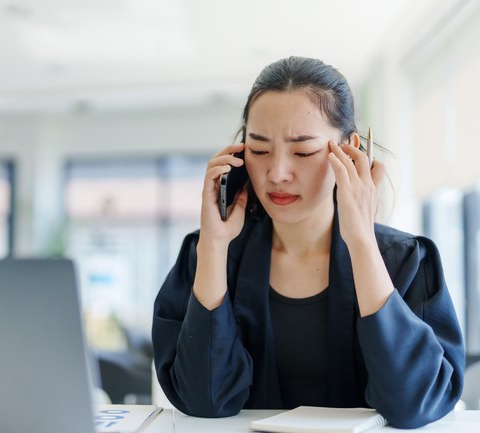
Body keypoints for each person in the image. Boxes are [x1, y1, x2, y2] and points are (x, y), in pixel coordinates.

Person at [152, 56, 464, 429]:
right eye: (260, 150)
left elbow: (417, 403)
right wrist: (214, 248)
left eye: (303, 151)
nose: (277, 174)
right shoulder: (204, 256)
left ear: (348, 151)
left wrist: (362, 242)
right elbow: (203, 401)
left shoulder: (406, 260)